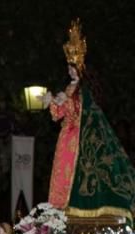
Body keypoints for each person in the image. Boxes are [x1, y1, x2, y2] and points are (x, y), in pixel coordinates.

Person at [44, 20, 135, 217]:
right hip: (66, 137)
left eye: (73, 67)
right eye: (68, 68)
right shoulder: (69, 88)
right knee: (61, 174)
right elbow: (57, 115)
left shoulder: (84, 90)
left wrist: (62, 101)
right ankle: (59, 211)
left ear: (80, 67)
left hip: (80, 137)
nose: (70, 71)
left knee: (77, 173)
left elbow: (79, 109)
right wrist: (51, 102)